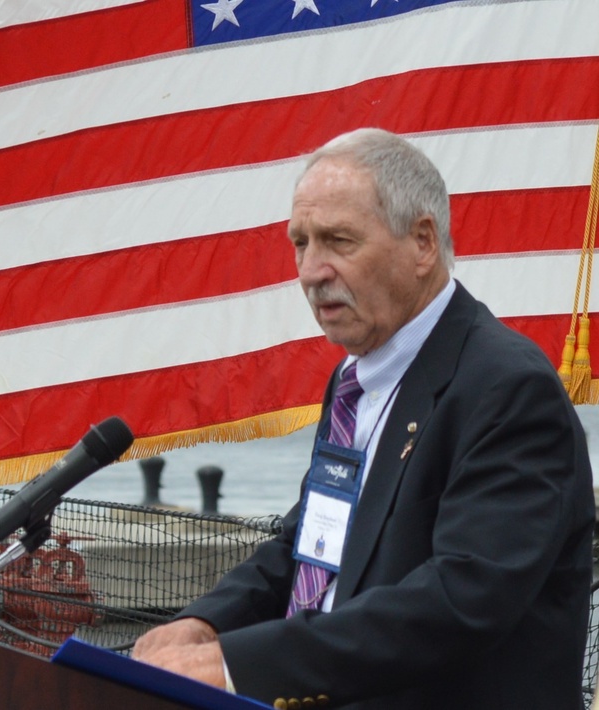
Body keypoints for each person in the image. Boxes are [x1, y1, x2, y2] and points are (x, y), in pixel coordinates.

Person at [132, 128, 595, 709]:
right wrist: (206, 623)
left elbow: (460, 600)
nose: (309, 270)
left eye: (338, 241)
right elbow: (312, 541)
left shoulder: (508, 388)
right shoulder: (357, 381)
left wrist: (236, 666)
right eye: (300, 243)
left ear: (423, 242)